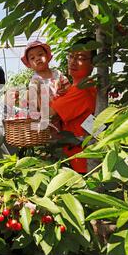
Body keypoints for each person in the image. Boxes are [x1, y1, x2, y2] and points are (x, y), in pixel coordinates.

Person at [49, 38, 97, 173]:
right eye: (71, 56)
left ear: (93, 64)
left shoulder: (82, 89)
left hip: (82, 162)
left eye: (80, 57)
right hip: (82, 157)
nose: (73, 61)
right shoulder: (80, 87)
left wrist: (34, 93)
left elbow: (49, 113)